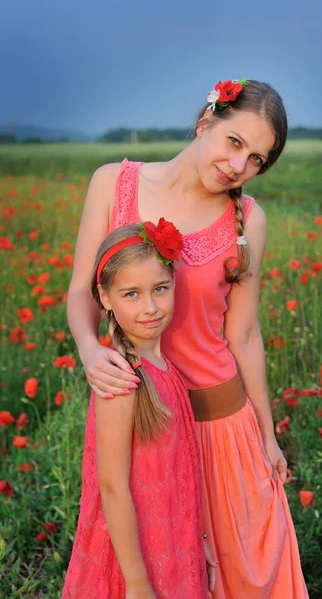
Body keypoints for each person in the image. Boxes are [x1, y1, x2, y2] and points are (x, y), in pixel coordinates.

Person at [67, 79, 309, 598]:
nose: (238, 166)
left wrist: (267, 436)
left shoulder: (248, 221)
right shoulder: (114, 184)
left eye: (258, 160)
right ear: (207, 122)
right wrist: (91, 352)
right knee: (149, 573)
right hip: (143, 424)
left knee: (239, 573)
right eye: (235, 142)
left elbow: (242, 334)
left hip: (221, 428)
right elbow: (81, 292)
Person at [62, 221, 216, 599]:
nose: (150, 307)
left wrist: (201, 543)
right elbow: (113, 488)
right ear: (106, 297)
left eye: (160, 289)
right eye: (131, 294)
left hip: (174, 542)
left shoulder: (169, 371)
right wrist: (136, 583)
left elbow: (183, 475)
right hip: (134, 557)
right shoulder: (121, 380)